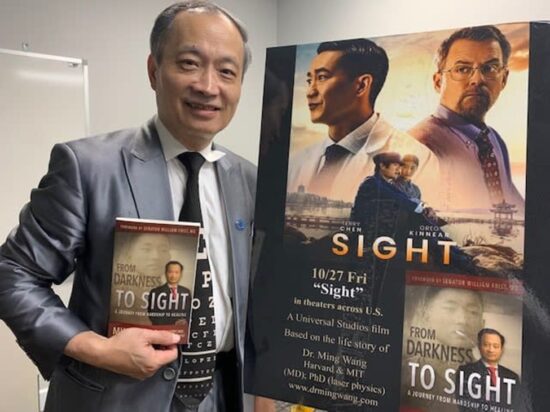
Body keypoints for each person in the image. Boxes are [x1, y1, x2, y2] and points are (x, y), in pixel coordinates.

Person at [0, 2, 256, 411]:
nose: (209, 86)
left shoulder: (249, 180)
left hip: (220, 397)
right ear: (154, 70)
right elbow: (13, 275)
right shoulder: (87, 167)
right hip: (117, 398)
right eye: (189, 63)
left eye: (227, 71)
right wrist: (97, 349)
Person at [286, 38, 439, 205]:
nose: (310, 91)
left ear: (361, 85)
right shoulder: (297, 162)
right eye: (309, 80)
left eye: (322, 77)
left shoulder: (420, 159)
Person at [409, 25, 524, 211]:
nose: (477, 79)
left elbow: (516, 208)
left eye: (490, 68)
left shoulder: (494, 140)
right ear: (439, 82)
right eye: (462, 69)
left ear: (503, 79)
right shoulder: (420, 145)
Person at [401, 287, 485, 412]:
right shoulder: (403, 372)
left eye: (473, 312)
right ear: (426, 316)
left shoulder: (494, 382)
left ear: (482, 325)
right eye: (450, 309)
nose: (462, 320)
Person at [456, 328, 520, 412]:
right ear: (479, 347)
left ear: (501, 350)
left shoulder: (512, 377)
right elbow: (463, 404)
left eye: (496, 346)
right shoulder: (466, 371)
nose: (491, 350)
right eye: (486, 345)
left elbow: (516, 406)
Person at [148, 261, 192, 328]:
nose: (173, 276)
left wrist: (184, 321)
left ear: (181, 274)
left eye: (176, 272)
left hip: (181, 331)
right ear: (165, 273)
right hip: (162, 330)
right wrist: (173, 324)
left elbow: (189, 312)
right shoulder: (156, 292)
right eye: (170, 272)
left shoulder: (186, 292)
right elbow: (153, 315)